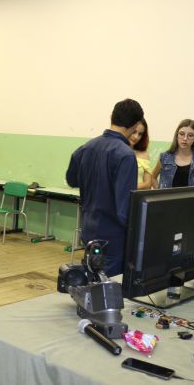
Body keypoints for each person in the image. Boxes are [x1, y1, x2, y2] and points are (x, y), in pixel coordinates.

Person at [66, 99, 144, 277]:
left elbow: (71, 179)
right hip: (113, 237)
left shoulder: (85, 148)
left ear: (111, 117)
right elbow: (124, 208)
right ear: (135, 126)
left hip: (88, 229)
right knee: (108, 287)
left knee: (91, 280)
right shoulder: (125, 155)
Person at [152, 119, 194, 194]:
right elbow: (152, 178)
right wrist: (160, 195)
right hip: (168, 202)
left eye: (190, 135)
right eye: (181, 134)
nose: (185, 138)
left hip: (192, 202)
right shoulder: (164, 158)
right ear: (177, 135)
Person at [128, 118, 152, 190]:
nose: (136, 137)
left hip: (138, 195)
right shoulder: (116, 152)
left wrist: (126, 187)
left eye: (140, 134)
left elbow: (148, 184)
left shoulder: (144, 154)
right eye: (134, 132)